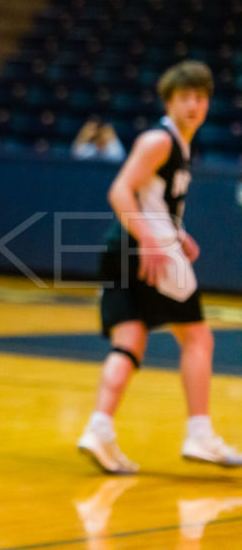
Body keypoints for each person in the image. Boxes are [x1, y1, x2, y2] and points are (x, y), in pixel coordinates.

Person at [77, 60, 241, 474]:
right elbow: (120, 190)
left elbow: (153, 200)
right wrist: (152, 239)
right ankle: (200, 433)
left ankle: (99, 429)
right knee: (199, 339)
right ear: (168, 101)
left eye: (201, 97)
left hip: (122, 248)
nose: (194, 104)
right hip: (146, 249)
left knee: (129, 341)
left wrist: (177, 231)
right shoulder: (159, 140)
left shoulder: (179, 147)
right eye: (185, 97)